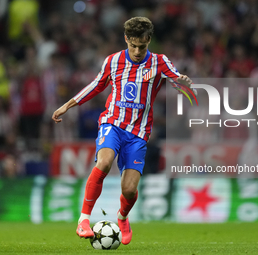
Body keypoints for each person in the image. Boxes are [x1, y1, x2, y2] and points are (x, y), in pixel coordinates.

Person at [51, 17, 192, 245]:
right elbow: (96, 85)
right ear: (126, 39)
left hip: (138, 134)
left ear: (149, 40)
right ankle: (83, 220)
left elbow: (176, 80)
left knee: (129, 189)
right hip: (112, 123)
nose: (137, 51)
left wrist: (182, 83)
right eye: (133, 45)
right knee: (104, 162)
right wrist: (67, 106)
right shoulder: (113, 61)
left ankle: (122, 217)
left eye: (142, 46)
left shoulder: (160, 61)